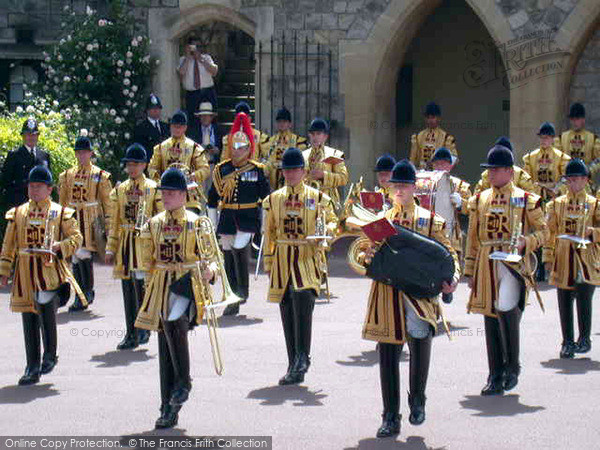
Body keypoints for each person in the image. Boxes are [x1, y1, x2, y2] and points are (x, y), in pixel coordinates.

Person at [358, 159, 459, 438]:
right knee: (388, 353)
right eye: (395, 185)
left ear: (415, 187)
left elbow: (448, 255)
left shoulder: (430, 220)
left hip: (417, 294)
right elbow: (364, 253)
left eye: (404, 185)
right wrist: (365, 256)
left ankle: (418, 399)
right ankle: (390, 416)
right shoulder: (380, 221)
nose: (399, 190)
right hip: (387, 293)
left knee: (419, 340)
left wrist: (452, 280)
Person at [134, 167, 217, 429]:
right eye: (164, 193)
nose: (166, 197)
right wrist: (148, 290)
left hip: (188, 284)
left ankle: (183, 380)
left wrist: (211, 270)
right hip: (162, 285)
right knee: (165, 343)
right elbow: (146, 262)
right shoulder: (153, 224)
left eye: (171, 193)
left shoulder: (197, 222)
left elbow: (214, 256)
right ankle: (167, 405)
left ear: (183, 194)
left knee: (173, 321)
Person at [464, 145, 548, 396]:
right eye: (489, 169)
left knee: (505, 308)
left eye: (496, 169)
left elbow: (544, 231)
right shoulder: (480, 199)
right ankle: (495, 374)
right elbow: (472, 237)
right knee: (490, 316)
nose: (491, 174)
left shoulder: (526, 199)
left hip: (511, 264)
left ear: (509, 172)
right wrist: (469, 270)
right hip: (487, 261)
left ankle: (512, 366)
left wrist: (527, 242)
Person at [0, 166, 83, 385]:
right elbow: (8, 244)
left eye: (39, 187)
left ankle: (50, 354)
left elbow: (76, 239)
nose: (34, 190)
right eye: (31, 186)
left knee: (46, 308)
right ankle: (32, 366)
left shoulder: (60, 212)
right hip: (25, 272)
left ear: (50, 189)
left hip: (49, 271)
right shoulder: (18, 213)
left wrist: (59, 246)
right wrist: (4, 271)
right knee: (28, 317)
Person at [261, 147, 337, 385]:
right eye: (288, 170)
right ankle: (294, 361)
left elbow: (332, 223)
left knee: (303, 301)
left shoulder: (318, 198)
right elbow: (269, 231)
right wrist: (269, 261)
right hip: (283, 255)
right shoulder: (273, 200)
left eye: (296, 170)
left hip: (307, 254)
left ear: (304, 172)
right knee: (286, 308)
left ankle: (303, 356)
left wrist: (327, 234)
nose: (292, 174)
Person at [207, 113, 270, 315]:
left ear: (248, 148)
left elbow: (266, 199)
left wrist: (264, 224)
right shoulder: (221, 169)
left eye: (241, 148)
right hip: (227, 217)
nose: (237, 151)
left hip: (247, 218)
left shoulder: (257, 170)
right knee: (227, 255)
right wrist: (211, 224)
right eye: (234, 147)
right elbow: (212, 198)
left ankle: (242, 291)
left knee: (239, 249)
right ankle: (231, 294)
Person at [106, 144, 163, 350]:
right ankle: (131, 332)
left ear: (145, 165)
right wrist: (111, 248)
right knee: (128, 289)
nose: (132, 168)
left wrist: (158, 245)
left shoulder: (153, 188)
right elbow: (114, 220)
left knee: (142, 288)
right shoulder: (120, 190)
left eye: (136, 164)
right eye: (129, 164)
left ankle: (144, 327)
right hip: (126, 243)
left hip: (145, 242)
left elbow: (160, 218)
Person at [543, 159, 600, 358]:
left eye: (577, 179)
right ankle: (567, 341)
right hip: (563, 256)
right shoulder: (557, 205)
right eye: (570, 179)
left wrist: (593, 233)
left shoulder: (594, 203)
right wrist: (548, 257)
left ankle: (584, 338)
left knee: (584, 297)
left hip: (586, 258)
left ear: (586, 180)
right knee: (564, 299)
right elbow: (549, 232)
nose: (573, 183)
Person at [58, 136, 112, 311]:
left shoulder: (99, 175)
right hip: (74, 218)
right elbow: (63, 201)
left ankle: (86, 292)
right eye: (79, 152)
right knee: (75, 254)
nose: (82, 156)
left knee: (85, 253)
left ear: (91, 153)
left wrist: (108, 224)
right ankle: (81, 294)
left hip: (91, 219)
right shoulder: (67, 175)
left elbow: (107, 202)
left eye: (85, 152)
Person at [148, 110, 210, 213]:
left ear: (185, 127)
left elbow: (205, 169)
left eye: (180, 126)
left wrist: (194, 176)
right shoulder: (160, 148)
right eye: (174, 126)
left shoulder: (194, 147)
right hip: (166, 195)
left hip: (188, 196)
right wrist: (160, 180)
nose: (177, 129)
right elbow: (152, 168)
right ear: (170, 126)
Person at [430, 147, 472, 262]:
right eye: (436, 164)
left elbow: (472, 208)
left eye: (443, 164)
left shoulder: (460, 185)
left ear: (450, 166)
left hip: (452, 237)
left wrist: (460, 204)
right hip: (429, 234)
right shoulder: (426, 183)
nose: (439, 167)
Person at [0, 118, 51, 210]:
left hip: (40, 205)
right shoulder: (14, 155)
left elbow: (48, 182)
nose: (31, 137)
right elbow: (5, 182)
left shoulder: (44, 156)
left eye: (34, 135)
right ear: (23, 136)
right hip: (18, 204)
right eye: (28, 135)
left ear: (38, 136)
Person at [303, 118, 349, 210]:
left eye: (318, 134)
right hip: (309, 198)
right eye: (312, 134)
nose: (315, 137)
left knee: (329, 223)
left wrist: (323, 175)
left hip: (328, 199)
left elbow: (344, 178)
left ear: (325, 136)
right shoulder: (302, 155)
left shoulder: (335, 154)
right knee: (309, 222)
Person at [523, 122, 571, 203]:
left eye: (547, 138)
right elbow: (526, 179)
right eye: (542, 138)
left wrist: (557, 190)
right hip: (536, 197)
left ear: (552, 139)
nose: (543, 140)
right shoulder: (530, 157)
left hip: (555, 197)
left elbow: (566, 178)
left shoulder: (561, 157)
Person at [475, 137, 539, 194]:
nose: (492, 173)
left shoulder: (520, 175)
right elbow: (478, 199)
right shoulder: (486, 175)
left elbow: (529, 199)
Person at [178, 38, 218, 126]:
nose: (195, 49)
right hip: (192, 94)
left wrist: (201, 59)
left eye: (197, 46)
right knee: (193, 121)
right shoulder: (183, 59)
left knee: (211, 119)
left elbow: (214, 71)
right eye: (193, 46)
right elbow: (181, 72)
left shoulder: (206, 58)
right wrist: (188, 57)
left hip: (207, 92)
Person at [265, 107, 308, 190]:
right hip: (273, 181)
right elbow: (268, 159)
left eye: (284, 121)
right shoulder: (270, 140)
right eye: (279, 121)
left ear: (290, 124)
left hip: (290, 177)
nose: (282, 124)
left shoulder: (298, 141)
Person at [409, 102, 457, 170]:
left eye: (433, 117)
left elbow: (453, 158)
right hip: (422, 173)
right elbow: (413, 160)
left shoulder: (446, 137)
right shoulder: (418, 136)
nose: (430, 120)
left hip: (439, 173)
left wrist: (442, 167)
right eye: (428, 118)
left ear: (439, 118)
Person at [133, 94, 170, 163]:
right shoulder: (141, 129)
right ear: (147, 110)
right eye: (152, 108)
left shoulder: (166, 127)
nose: (155, 110)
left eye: (157, 108)